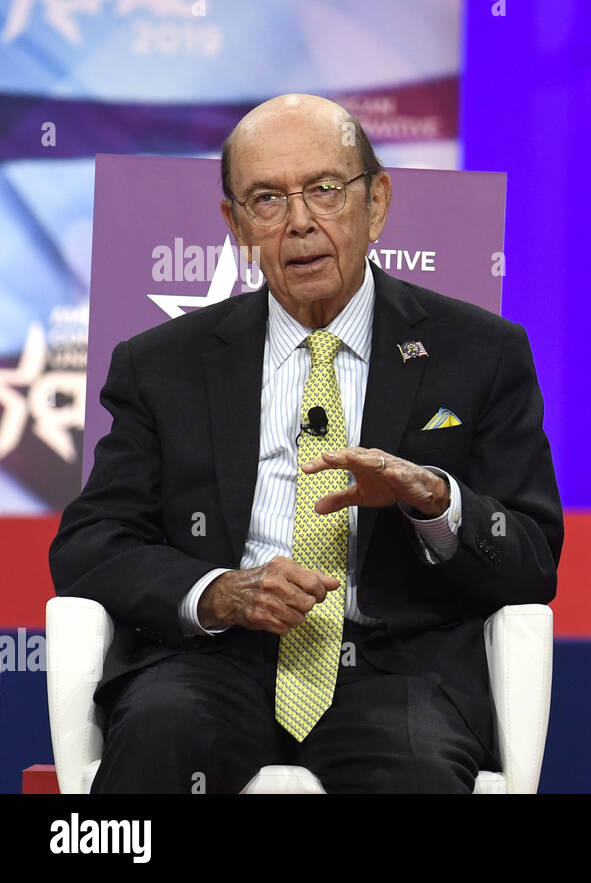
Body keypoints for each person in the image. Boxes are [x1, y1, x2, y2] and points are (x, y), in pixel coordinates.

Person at [49, 94, 563, 793]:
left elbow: (532, 558)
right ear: (236, 224)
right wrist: (218, 592)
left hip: (395, 671)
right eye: (267, 198)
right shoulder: (162, 364)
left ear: (376, 203)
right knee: (158, 740)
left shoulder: (480, 353)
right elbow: (89, 545)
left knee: (414, 771)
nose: (300, 223)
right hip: (213, 665)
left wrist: (433, 502)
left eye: (325, 189)